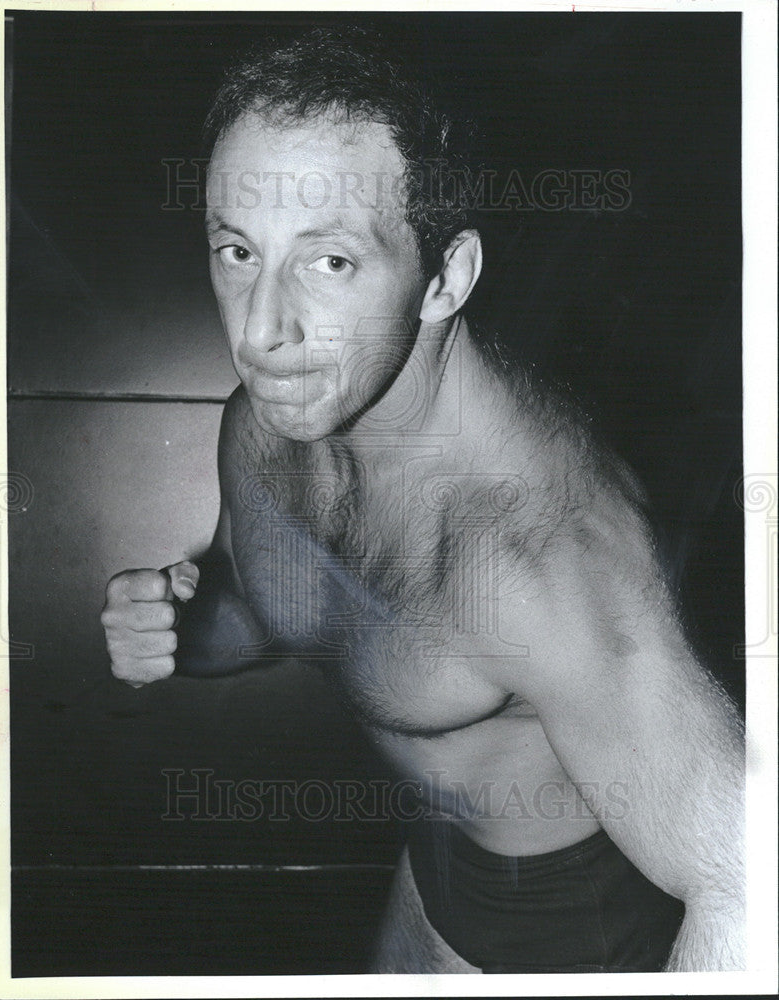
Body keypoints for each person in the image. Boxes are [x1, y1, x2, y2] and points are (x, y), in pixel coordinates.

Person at [100, 26, 744, 973]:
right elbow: (290, 608)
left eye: (330, 262)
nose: (264, 330)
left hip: (571, 928)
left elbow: (744, 879)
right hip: (429, 866)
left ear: (445, 280)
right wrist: (186, 627)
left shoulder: (547, 556)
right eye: (239, 251)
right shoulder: (268, 423)